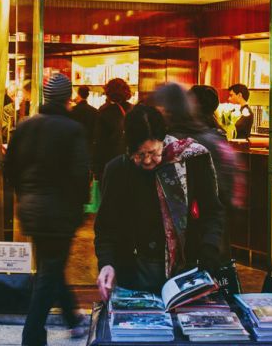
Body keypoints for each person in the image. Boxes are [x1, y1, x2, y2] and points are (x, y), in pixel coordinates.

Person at [95, 104, 224, 300]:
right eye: (139, 154)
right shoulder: (118, 170)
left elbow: (212, 212)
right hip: (134, 272)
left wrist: (209, 251)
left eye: (153, 152)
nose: (147, 161)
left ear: (162, 140)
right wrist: (106, 263)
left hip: (186, 272)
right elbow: (106, 227)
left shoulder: (190, 161)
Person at [4, 74, 90, 346]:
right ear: (67, 98)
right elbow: (79, 175)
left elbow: (9, 169)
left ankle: (72, 318)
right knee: (49, 270)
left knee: (49, 267)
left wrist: (25, 194)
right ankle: (32, 334)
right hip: (60, 211)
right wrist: (80, 208)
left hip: (32, 208)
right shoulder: (72, 129)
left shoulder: (26, 126)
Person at [156, 83, 244, 261]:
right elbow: (230, 184)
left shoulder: (179, 142)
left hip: (195, 227)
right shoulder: (216, 137)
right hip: (214, 224)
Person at [92, 78, 133, 179]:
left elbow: (100, 143)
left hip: (110, 164)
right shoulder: (133, 110)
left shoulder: (105, 112)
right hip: (131, 163)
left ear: (108, 92)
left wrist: (96, 169)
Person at [70, 85, 98, 155]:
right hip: (89, 145)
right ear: (88, 95)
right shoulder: (94, 111)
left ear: (78, 94)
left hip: (75, 145)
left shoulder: (72, 110)